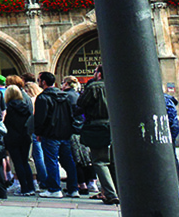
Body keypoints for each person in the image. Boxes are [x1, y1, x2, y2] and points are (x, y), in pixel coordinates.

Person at [76, 66, 119, 205]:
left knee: (100, 161)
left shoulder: (94, 87)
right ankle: (118, 191)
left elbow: (81, 104)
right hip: (115, 126)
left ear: (99, 74)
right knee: (113, 162)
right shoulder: (116, 84)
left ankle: (110, 193)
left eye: (94, 72)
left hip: (98, 126)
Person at [33, 72, 77, 198]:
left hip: (50, 134)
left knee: (51, 161)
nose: (38, 82)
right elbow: (70, 115)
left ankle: (54, 188)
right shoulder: (65, 96)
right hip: (65, 133)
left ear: (43, 82)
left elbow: (40, 118)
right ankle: (73, 188)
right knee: (68, 161)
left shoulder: (42, 98)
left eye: (39, 80)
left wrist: (38, 133)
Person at [3, 84, 38, 196]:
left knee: (18, 163)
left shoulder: (8, 108)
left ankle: (24, 188)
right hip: (25, 136)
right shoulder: (26, 106)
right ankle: (30, 187)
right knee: (25, 162)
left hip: (13, 137)